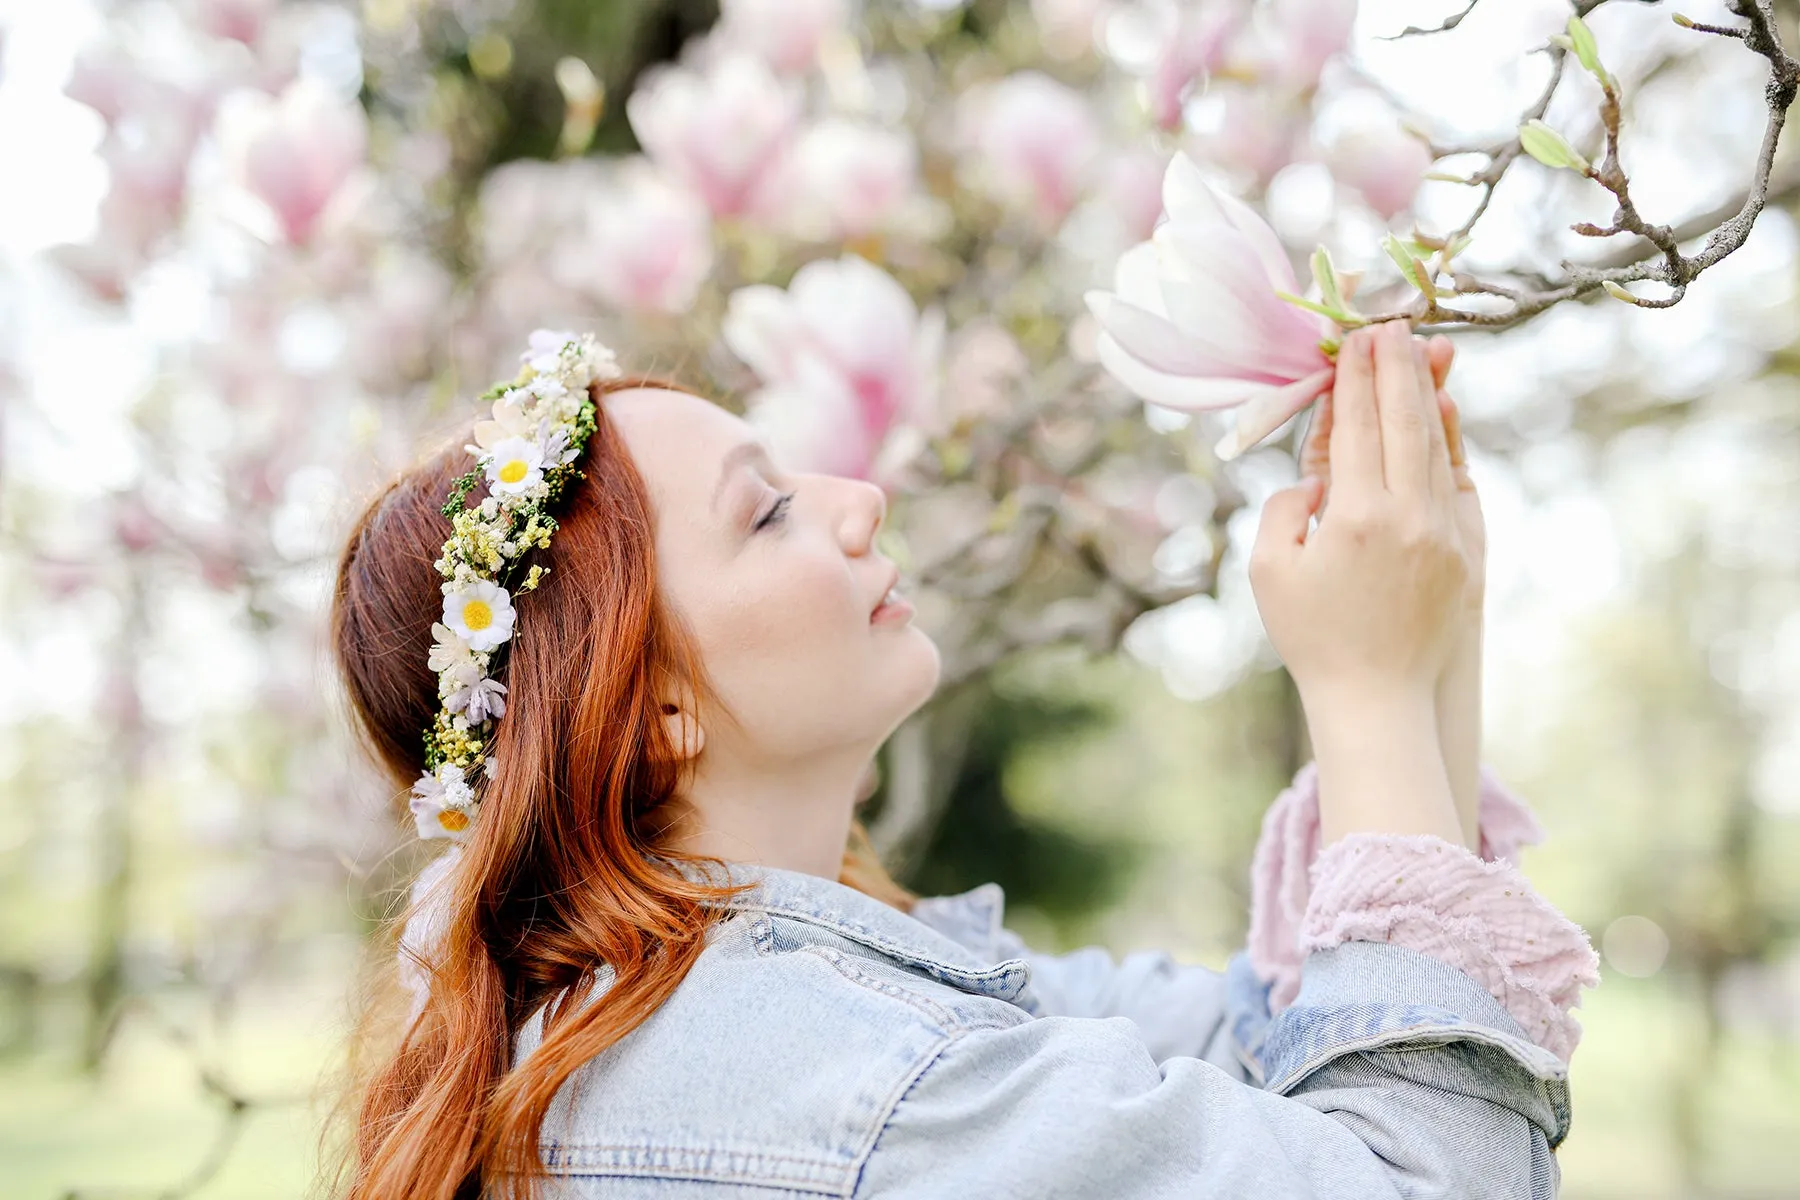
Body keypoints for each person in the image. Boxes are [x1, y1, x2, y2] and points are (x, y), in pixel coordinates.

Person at [325, 319, 1598, 1199]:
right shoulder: (839, 1080)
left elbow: (1295, 1049)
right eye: (767, 512)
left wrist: (1434, 627)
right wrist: (1370, 684)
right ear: (654, 714)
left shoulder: (796, 1006)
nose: (855, 497)